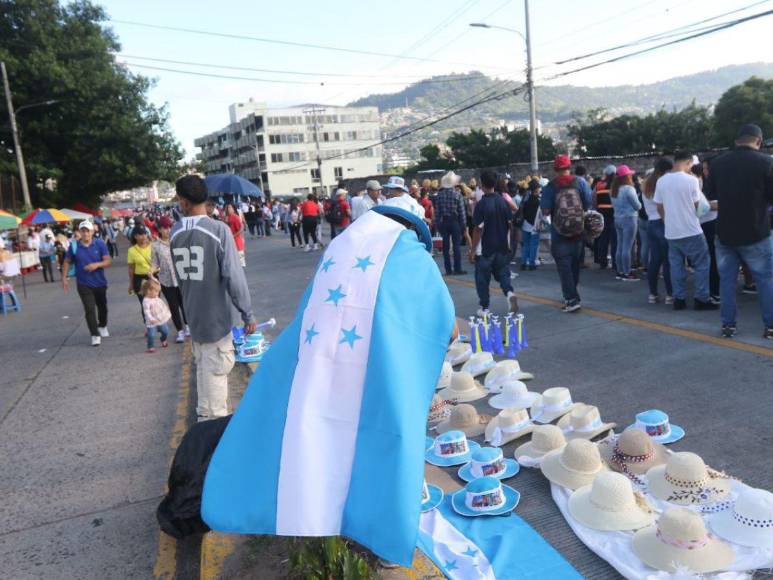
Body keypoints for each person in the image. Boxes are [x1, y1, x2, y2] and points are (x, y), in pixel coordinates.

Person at [171, 175, 257, 421]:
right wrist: (247, 313)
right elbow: (234, 277)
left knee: (205, 385)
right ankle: (212, 447)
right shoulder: (218, 230)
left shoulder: (175, 232)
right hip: (217, 322)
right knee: (216, 399)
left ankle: (204, 433)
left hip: (194, 318)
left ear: (183, 201)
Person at [704, 123, 773, 339]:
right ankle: (770, 327)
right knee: (765, 280)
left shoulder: (718, 163)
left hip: (725, 233)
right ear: (759, 142)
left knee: (727, 281)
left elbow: (710, 194)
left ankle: (728, 326)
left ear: (736, 141)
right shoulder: (767, 162)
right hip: (756, 232)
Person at [654, 150, 718, 311]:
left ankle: (679, 299)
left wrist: (667, 221)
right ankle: (701, 298)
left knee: (676, 266)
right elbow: (699, 206)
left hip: (671, 232)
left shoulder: (661, 181)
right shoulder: (691, 180)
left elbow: (659, 207)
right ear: (689, 162)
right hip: (692, 230)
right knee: (702, 264)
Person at [540, 155, 593, 312]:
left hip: (559, 233)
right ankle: (573, 293)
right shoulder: (581, 182)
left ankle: (571, 299)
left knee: (564, 267)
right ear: (569, 167)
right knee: (575, 265)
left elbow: (546, 210)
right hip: (578, 231)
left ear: (555, 169)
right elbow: (588, 203)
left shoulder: (550, 186)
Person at [469, 169, 519, 316]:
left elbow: (477, 229)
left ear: (481, 184)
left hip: (485, 248)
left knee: (482, 279)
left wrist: (472, 250)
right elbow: (510, 223)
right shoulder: (503, 202)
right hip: (502, 246)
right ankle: (509, 293)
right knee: (503, 274)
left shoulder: (481, 204)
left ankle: (484, 308)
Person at [61, 221, 111, 346]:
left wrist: (96, 265)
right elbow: (67, 261)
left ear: (92, 232)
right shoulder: (74, 246)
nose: (85, 233)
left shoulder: (99, 243)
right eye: (83, 230)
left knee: (102, 307)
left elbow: (107, 261)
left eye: (88, 230)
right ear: (79, 232)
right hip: (83, 283)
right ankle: (94, 335)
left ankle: (103, 325)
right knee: (89, 309)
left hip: (100, 282)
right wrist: (64, 277)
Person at [642, 159, 674, 304]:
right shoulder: (663, 184)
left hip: (651, 223)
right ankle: (670, 294)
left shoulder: (646, 183)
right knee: (667, 261)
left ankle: (652, 294)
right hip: (663, 222)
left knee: (654, 260)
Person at [152, 216, 189, 343]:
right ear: (160, 229)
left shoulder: (178, 240)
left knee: (184, 304)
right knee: (173, 307)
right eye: (164, 228)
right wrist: (150, 271)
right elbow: (154, 263)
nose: (168, 230)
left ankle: (188, 326)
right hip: (166, 281)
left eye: (169, 227)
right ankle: (180, 331)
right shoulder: (155, 245)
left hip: (181, 278)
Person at [611, 165, 642, 281]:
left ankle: (620, 271)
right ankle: (627, 272)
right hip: (629, 218)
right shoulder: (629, 189)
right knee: (627, 247)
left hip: (617, 218)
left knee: (620, 245)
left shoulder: (614, 190)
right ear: (626, 177)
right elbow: (637, 206)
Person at [435, 171, 468, 276]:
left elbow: (437, 213)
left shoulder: (439, 195)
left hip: (444, 221)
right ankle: (457, 268)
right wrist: (463, 226)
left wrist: (438, 225)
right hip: (455, 221)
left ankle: (448, 269)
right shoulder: (457, 195)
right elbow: (462, 213)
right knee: (456, 246)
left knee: (445, 247)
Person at [127, 226, 154, 324]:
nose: (143, 236)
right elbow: (131, 268)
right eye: (140, 235)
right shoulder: (132, 250)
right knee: (144, 303)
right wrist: (131, 284)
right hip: (139, 279)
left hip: (153, 277)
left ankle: (158, 323)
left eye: (144, 234)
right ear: (135, 237)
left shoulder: (153, 246)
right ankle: (148, 324)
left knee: (155, 302)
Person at [592, 165, 617, 270]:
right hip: (614, 214)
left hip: (602, 214)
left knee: (603, 239)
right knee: (614, 240)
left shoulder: (599, 185)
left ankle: (603, 262)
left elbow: (594, 199)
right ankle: (615, 263)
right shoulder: (616, 185)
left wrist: (597, 209)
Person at [140, 278, 171, 353]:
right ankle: (150, 346)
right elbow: (146, 311)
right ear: (149, 291)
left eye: (158, 291)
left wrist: (152, 277)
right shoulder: (146, 301)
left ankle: (163, 339)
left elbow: (158, 284)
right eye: (156, 291)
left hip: (160, 320)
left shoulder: (155, 297)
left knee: (166, 331)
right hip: (152, 322)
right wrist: (151, 318)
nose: (158, 293)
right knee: (151, 335)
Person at [520, 179, 543, 270]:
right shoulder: (538, 201)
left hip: (525, 224)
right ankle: (532, 264)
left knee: (526, 244)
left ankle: (523, 263)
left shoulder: (526, 199)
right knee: (533, 245)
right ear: (536, 189)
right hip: (535, 225)